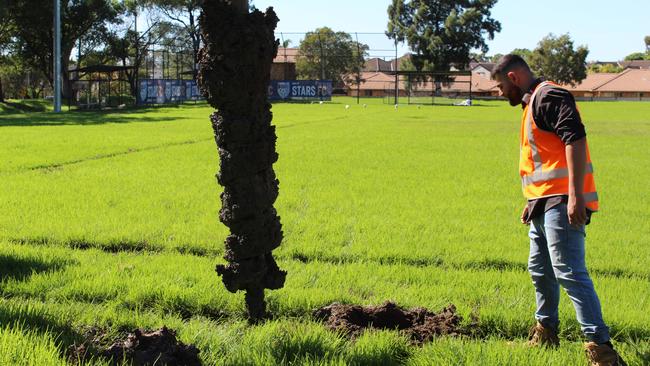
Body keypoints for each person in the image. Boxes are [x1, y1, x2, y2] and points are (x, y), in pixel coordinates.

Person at [491, 54, 626, 366]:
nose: (499, 93)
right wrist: (532, 203)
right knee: (540, 271)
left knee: (570, 272)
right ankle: (546, 332)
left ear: (513, 78)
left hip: (563, 203)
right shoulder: (531, 103)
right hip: (544, 203)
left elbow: (575, 140)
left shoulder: (549, 95)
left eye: (499, 86)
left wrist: (576, 196)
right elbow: (546, 159)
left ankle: (602, 351)